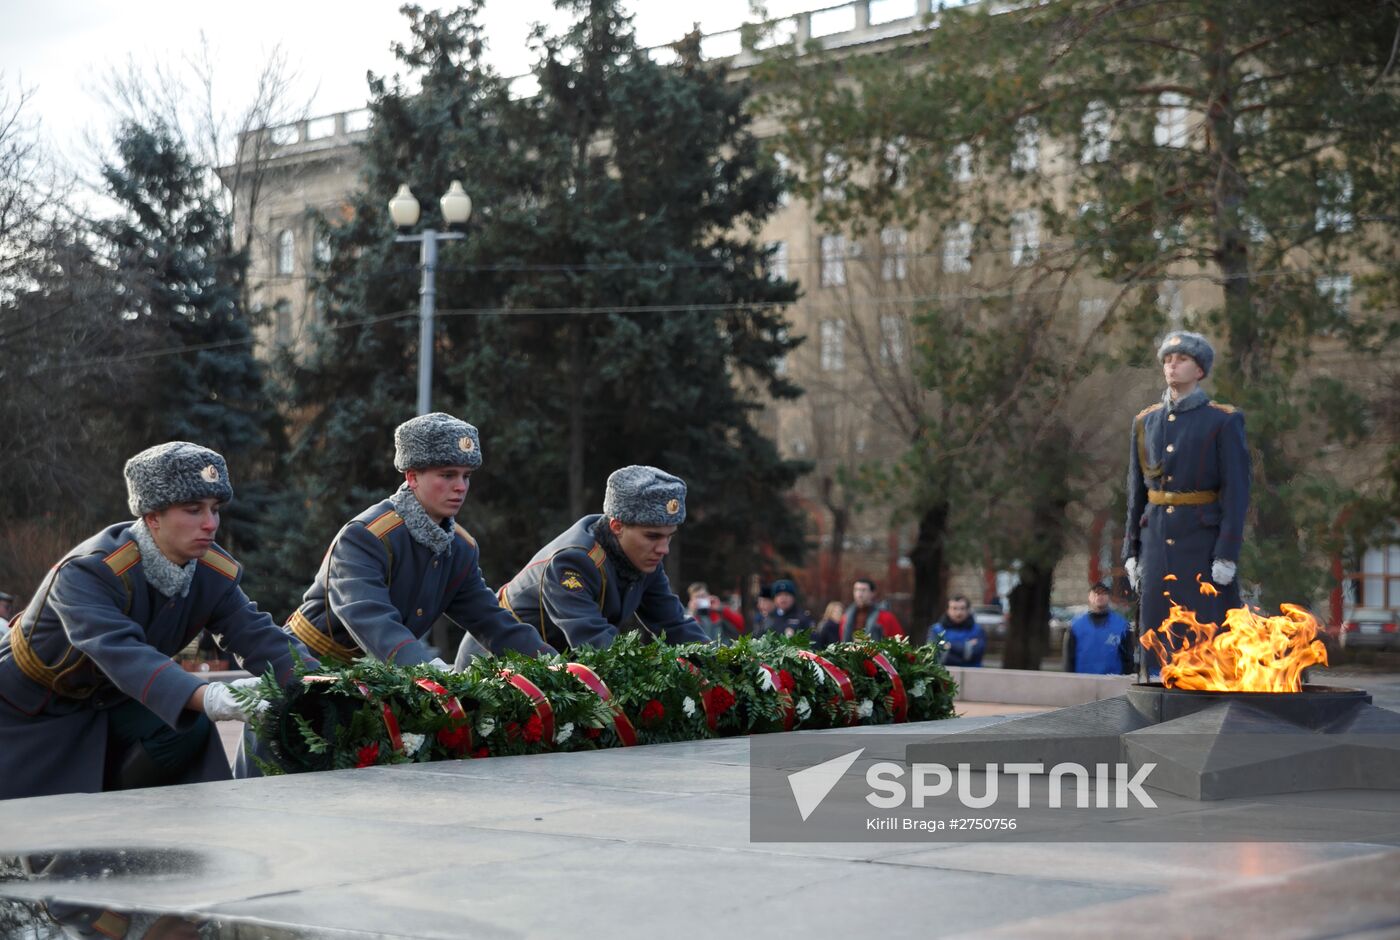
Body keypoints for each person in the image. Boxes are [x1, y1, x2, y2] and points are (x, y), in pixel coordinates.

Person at [0, 442, 311, 799]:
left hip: (109, 699)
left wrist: (321, 684)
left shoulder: (210, 571)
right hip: (32, 709)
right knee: (34, 835)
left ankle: (130, 822)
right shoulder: (90, 570)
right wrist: (208, 695)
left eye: (214, 509)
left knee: (185, 729)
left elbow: (256, 634)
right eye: (193, 510)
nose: (210, 524)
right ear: (152, 517)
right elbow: (121, 652)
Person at [287, 413, 555, 668]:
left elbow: (492, 622)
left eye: (466, 476)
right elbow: (370, 617)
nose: (461, 487)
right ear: (412, 477)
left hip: (383, 677)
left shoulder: (460, 548)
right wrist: (426, 670)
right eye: (448, 475)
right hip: (308, 668)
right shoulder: (365, 537)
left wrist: (558, 668)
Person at [1122, 331, 1250, 674]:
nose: (1172, 366)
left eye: (1181, 360)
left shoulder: (1222, 420)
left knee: (1203, 632)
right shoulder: (1145, 421)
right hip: (1155, 542)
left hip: (1201, 544)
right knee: (1156, 629)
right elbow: (1136, 492)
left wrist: (1226, 553)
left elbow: (1236, 492)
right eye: (1167, 360)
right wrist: (1131, 550)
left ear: (1200, 371)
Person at [489, 465, 711, 653]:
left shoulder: (642, 559)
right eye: (652, 536)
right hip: (495, 666)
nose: (664, 549)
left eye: (668, 537)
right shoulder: (572, 562)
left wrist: (724, 664)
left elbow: (674, 625)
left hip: (551, 672)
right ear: (617, 527)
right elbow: (594, 643)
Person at [1064, 581, 1133, 674]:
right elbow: (1069, 658)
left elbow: (1128, 659)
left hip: (1113, 681)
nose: (1099, 596)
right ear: (1089, 596)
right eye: (1096, 593)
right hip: (1082, 681)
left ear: (1109, 597)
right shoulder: (1076, 625)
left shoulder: (1122, 625)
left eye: (1104, 593)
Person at [927, 595, 987, 667]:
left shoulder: (978, 630)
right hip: (943, 673)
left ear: (968, 610)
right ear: (947, 610)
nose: (959, 613)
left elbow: (976, 653)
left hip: (972, 673)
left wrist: (948, 646)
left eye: (962, 608)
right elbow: (935, 654)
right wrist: (967, 646)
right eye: (954, 608)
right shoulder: (936, 630)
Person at [839, 578, 906, 641]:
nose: (859, 594)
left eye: (863, 590)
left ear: (872, 593)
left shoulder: (886, 617)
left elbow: (898, 643)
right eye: (856, 590)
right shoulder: (846, 617)